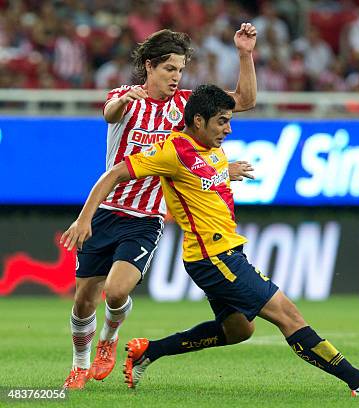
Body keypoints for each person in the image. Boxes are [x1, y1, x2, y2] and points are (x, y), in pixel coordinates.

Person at [61, 84, 359, 397]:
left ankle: (148, 351)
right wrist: (85, 218)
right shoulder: (170, 151)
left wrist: (245, 54)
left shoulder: (211, 147)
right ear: (198, 120)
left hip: (222, 253)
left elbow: (203, 172)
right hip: (215, 258)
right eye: (222, 122)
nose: (229, 128)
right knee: (289, 316)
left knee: (239, 330)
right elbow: (116, 173)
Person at [62, 25, 258, 390]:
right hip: (107, 211)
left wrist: (245, 54)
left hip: (147, 217)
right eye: (170, 69)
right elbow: (109, 113)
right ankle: (78, 363)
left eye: (181, 70)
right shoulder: (126, 97)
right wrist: (84, 218)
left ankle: (108, 338)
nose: (176, 77)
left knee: (117, 291)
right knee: (83, 300)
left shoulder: (185, 105)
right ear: (150, 67)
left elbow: (243, 101)